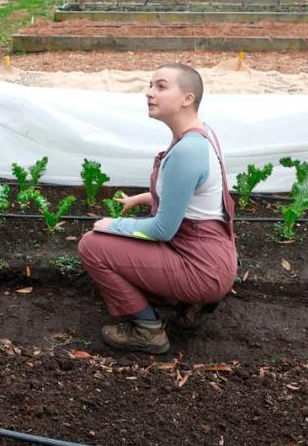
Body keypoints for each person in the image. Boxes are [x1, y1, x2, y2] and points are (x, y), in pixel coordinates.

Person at [77, 64, 237, 354]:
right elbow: (190, 198)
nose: (149, 93)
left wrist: (111, 225)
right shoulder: (201, 135)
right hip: (214, 257)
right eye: (150, 85)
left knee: (92, 246)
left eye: (161, 86)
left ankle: (148, 330)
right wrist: (139, 200)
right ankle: (191, 305)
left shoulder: (188, 150)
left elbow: (163, 230)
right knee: (125, 240)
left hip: (200, 268)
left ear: (187, 98)